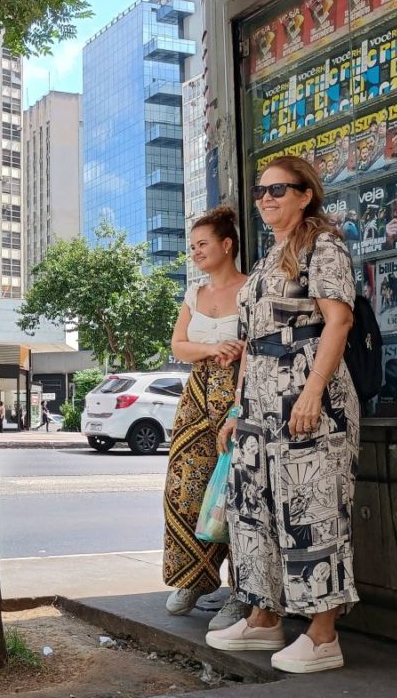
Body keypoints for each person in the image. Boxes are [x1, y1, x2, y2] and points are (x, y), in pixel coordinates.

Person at [206, 155, 360, 675]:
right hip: (259, 403)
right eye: (261, 191)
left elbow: (337, 321)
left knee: (312, 508)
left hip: (308, 394)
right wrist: (237, 407)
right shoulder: (270, 257)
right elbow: (253, 341)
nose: (266, 198)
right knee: (255, 510)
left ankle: (322, 636)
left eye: (278, 189)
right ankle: (264, 616)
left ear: (305, 194)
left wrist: (314, 390)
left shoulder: (325, 246)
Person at [165, 206, 248, 632]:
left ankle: (242, 594)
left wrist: (238, 403)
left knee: (238, 494)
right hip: (197, 397)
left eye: (203, 245)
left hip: (243, 395)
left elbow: (256, 346)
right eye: (192, 246)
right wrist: (214, 350)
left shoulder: (252, 288)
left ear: (227, 245)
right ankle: (194, 579)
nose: (195, 252)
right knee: (186, 487)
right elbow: (179, 345)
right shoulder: (194, 294)